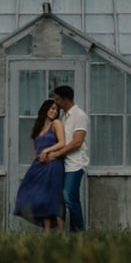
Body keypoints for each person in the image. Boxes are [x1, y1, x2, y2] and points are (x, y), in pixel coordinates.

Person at [11, 97, 67, 231]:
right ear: (45, 109)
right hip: (39, 165)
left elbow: (62, 143)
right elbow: (36, 146)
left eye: (57, 110)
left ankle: (61, 233)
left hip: (53, 164)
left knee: (54, 197)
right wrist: (38, 154)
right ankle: (46, 233)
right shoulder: (39, 126)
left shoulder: (56, 124)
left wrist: (47, 150)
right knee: (39, 196)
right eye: (52, 108)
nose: (54, 112)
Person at [47, 83, 89, 233]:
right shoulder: (64, 117)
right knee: (66, 199)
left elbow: (77, 142)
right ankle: (72, 232)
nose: (56, 102)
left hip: (76, 164)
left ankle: (79, 231)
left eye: (57, 99)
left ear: (65, 100)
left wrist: (57, 154)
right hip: (64, 165)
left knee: (70, 198)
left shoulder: (79, 116)